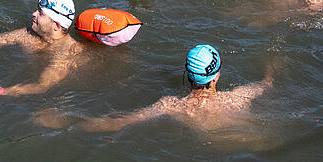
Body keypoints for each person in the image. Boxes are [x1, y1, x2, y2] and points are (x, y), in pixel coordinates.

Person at [42, 44, 273, 132]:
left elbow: (119, 121)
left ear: (188, 75)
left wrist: (67, 119)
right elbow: (266, 84)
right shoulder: (240, 97)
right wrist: (271, 64)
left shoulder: (172, 105)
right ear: (217, 75)